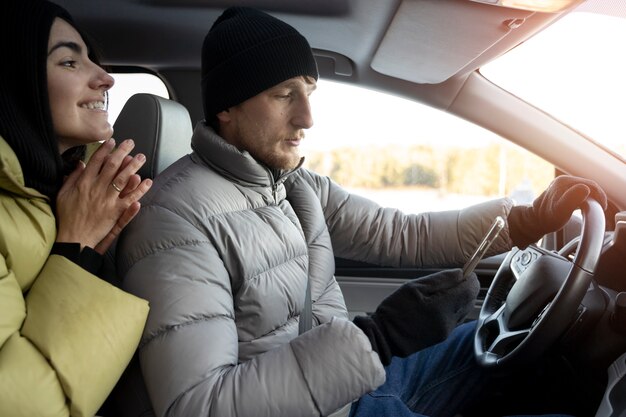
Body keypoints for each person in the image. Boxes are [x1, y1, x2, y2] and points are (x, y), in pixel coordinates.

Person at [116, 7, 607, 417]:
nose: (307, 117)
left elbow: (401, 234)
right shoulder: (174, 221)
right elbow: (199, 406)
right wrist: (378, 338)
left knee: (518, 355)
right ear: (227, 107)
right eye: (284, 94)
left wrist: (524, 220)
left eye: (309, 92)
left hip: (354, 387)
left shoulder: (295, 185)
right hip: (326, 402)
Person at [0, 1, 153, 416]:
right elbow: (23, 404)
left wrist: (92, 251)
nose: (105, 78)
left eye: (92, 60)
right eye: (69, 62)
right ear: (14, 83)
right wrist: (75, 249)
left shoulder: (68, 190)